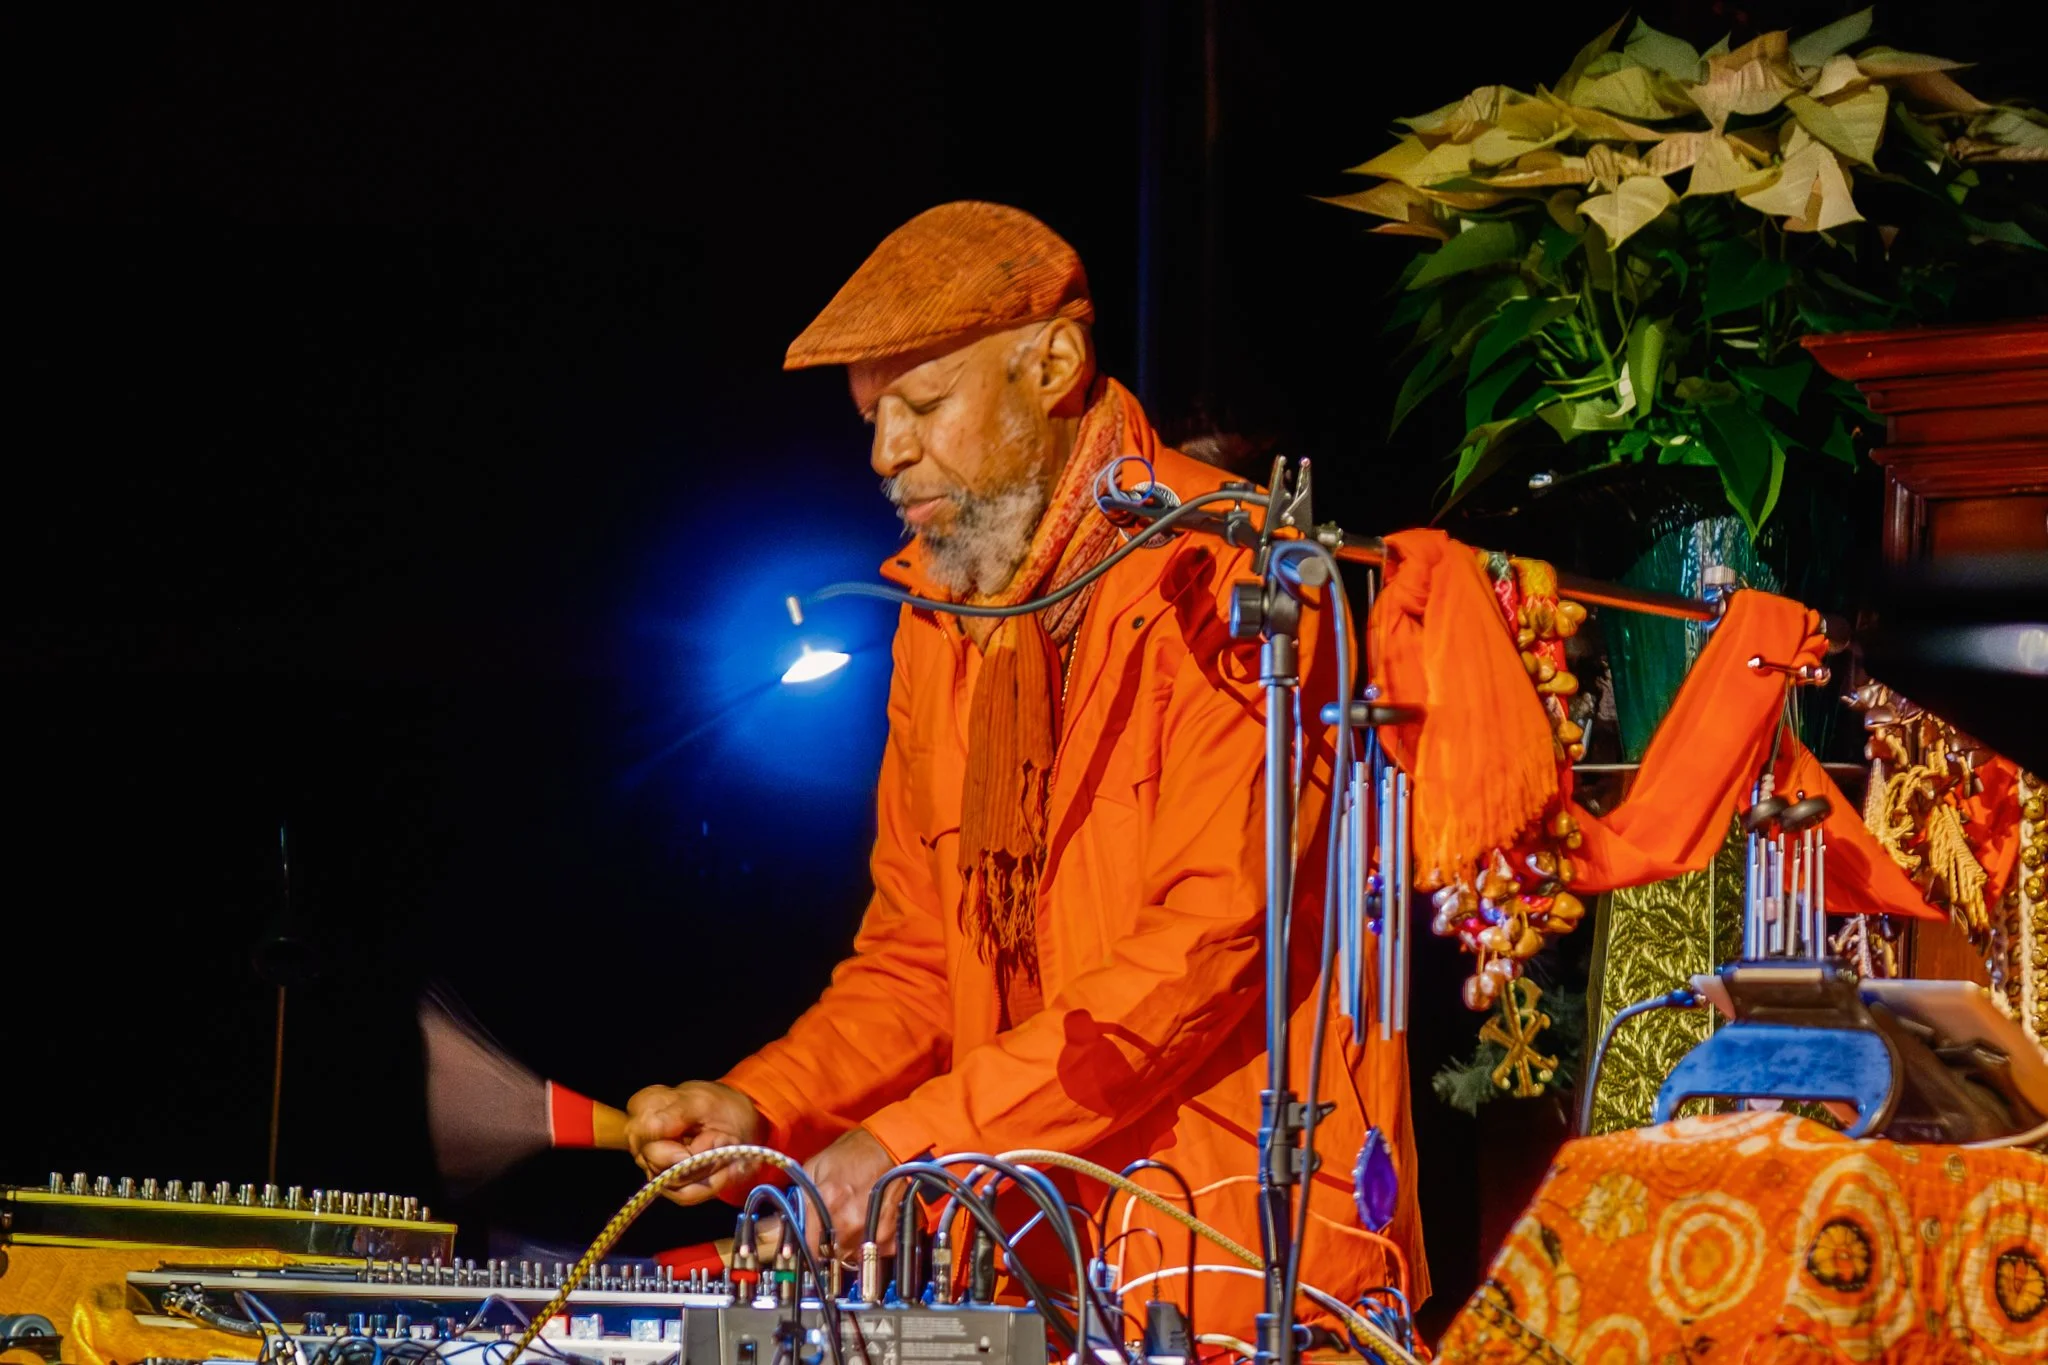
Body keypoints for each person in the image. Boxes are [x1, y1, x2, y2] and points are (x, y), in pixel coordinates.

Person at [625, 202, 1425, 1328]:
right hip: (1024, 1249)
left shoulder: (1233, 579)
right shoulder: (938, 617)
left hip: (1227, 1254)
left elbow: (1202, 945)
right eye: (870, 417)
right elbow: (912, 958)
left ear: (1051, 363)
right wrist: (767, 1102)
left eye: (920, 403)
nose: (884, 453)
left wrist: (911, 1141)